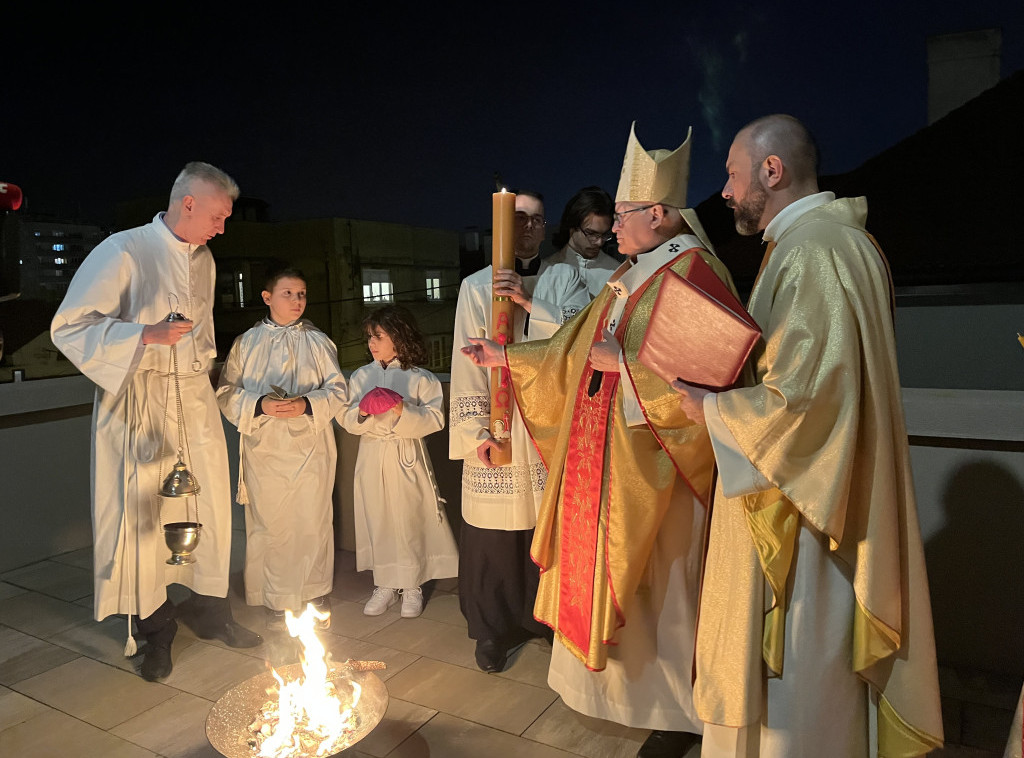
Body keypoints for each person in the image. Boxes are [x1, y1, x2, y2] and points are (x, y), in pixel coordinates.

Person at [462, 123, 737, 758]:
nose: (613, 228)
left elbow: (712, 378)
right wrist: (506, 357)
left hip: (661, 471)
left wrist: (630, 367)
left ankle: (680, 714)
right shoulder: (634, 273)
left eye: (625, 215)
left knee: (666, 594)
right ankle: (639, 701)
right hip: (612, 461)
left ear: (660, 214)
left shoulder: (694, 269)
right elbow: (575, 346)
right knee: (634, 597)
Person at [674, 114, 944, 757]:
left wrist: (710, 408)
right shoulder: (832, 241)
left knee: (803, 681)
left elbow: (805, 404)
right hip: (826, 491)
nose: (727, 190)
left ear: (774, 170)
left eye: (735, 174)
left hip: (807, 517)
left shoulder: (813, 251)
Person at [50, 162, 262, 682]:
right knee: (145, 518)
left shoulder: (206, 260)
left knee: (208, 506)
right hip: (139, 400)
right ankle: (156, 633)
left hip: (194, 399)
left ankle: (214, 615)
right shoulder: (122, 250)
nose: (222, 227)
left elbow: (203, 335)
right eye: (218, 215)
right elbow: (68, 326)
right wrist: (143, 336)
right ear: (188, 202)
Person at [449, 188, 591, 673]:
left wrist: (530, 301)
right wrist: (476, 432)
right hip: (501, 424)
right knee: (493, 537)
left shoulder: (563, 277)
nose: (529, 227)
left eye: (537, 220)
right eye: (520, 219)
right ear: (501, 226)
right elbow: (466, 364)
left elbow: (581, 336)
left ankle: (540, 621)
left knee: (540, 531)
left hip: (547, 429)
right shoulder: (475, 286)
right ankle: (490, 632)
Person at [216, 265, 347, 631]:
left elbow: (338, 389)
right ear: (267, 297)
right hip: (265, 447)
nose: (296, 301)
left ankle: (314, 590)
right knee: (271, 523)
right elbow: (226, 391)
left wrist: (307, 404)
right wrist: (260, 404)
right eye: (288, 293)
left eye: (302, 294)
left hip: (310, 446)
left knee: (312, 518)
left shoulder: (319, 342)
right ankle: (275, 596)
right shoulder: (247, 342)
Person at [338, 305, 458, 619]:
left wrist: (401, 410)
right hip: (373, 453)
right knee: (378, 518)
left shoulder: (422, 378)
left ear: (399, 337)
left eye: (378, 336)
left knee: (408, 518)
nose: (372, 343)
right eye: (369, 338)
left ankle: (413, 585)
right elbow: (347, 418)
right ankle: (385, 585)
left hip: (407, 454)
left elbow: (434, 419)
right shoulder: (362, 376)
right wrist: (362, 412)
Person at [546, 185, 619, 297]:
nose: (599, 242)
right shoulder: (546, 270)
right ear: (572, 227)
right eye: (591, 234)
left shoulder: (616, 274)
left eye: (604, 235)